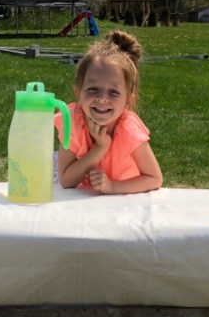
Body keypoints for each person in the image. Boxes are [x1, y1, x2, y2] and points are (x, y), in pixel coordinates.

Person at [55, 30, 163, 194]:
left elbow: (154, 178)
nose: (102, 98)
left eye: (113, 92)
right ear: (78, 93)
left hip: (123, 207)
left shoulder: (128, 130)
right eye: (93, 89)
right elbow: (66, 180)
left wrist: (112, 187)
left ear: (129, 100)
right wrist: (100, 148)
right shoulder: (73, 122)